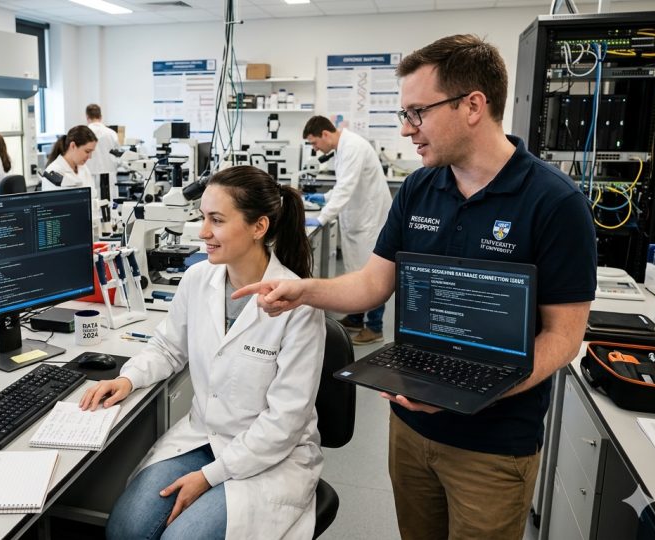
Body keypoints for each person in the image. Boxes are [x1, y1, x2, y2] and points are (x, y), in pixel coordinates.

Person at [235, 34, 596, 539]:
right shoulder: (420, 188)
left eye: (417, 113)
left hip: (493, 443)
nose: (407, 130)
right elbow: (372, 284)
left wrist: (476, 392)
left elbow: (564, 336)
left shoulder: (555, 203)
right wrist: (305, 291)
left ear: (473, 105)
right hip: (410, 427)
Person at [80, 166, 325, 539]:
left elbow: (284, 423)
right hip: (203, 437)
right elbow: (167, 346)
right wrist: (128, 378)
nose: (203, 232)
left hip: (270, 457)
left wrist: (207, 478)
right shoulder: (198, 279)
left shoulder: (299, 304)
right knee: (125, 529)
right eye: (202, 217)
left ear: (259, 227)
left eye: (216, 220)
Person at [302, 115, 392, 345]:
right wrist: (324, 197)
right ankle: (355, 317)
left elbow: (345, 188)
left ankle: (374, 327)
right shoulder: (343, 148)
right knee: (357, 271)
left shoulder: (352, 147)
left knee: (371, 274)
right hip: (358, 219)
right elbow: (342, 185)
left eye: (314, 143)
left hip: (368, 221)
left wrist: (322, 218)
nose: (315, 148)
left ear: (325, 133)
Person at [45, 125, 100, 234]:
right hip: (64, 232)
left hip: (87, 228)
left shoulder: (83, 168)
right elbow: (55, 212)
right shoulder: (54, 172)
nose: (90, 157)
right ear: (73, 146)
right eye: (87, 151)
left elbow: (93, 197)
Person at [84, 104, 120, 201]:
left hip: (89, 175)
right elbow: (118, 155)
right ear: (100, 116)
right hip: (109, 177)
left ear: (87, 117)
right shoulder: (112, 133)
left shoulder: (84, 133)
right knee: (110, 208)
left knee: (92, 206)